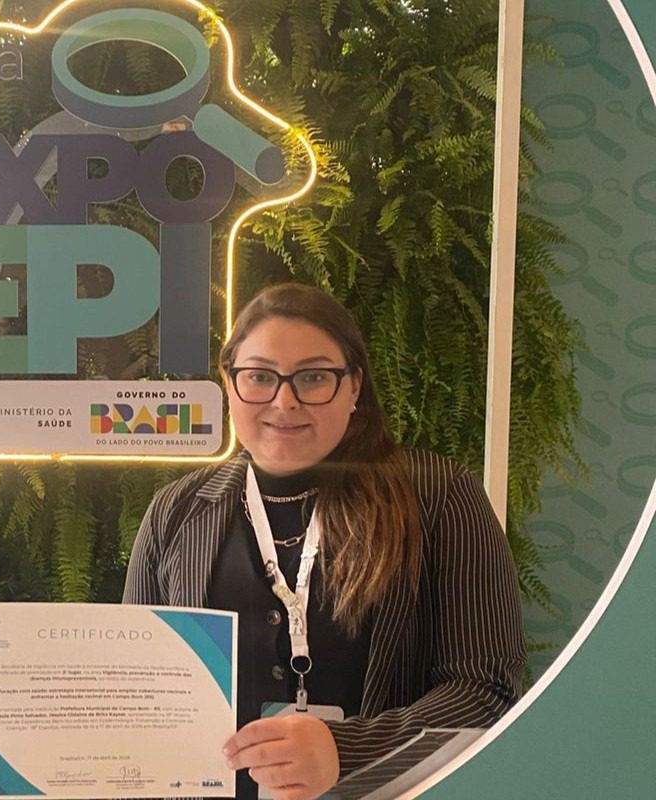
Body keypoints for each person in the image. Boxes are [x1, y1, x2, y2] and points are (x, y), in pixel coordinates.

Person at [122, 283, 526, 800]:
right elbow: (136, 701)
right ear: (230, 382)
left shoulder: (437, 495)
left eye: (313, 377)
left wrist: (347, 751)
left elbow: (487, 692)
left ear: (354, 386)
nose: (284, 401)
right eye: (260, 377)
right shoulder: (175, 513)